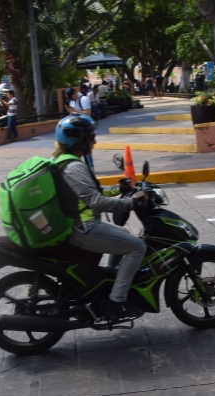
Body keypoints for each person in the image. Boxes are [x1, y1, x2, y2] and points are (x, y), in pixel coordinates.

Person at [53, 114, 148, 319]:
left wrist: (118, 188)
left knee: (122, 233)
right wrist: (131, 202)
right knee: (138, 246)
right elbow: (95, 202)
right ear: (79, 140)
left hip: (79, 225)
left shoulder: (66, 162)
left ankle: (108, 280)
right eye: (91, 136)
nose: (94, 141)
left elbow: (91, 193)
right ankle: (117, 302)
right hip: (83, 228)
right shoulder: (74, 167)